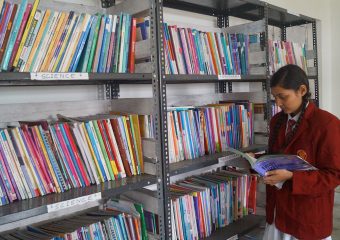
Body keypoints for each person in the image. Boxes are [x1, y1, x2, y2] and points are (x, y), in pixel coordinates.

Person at [261, 64, 340, 240]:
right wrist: (258, 162)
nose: (278, 103)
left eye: (283, 97)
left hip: (307, 216)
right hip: (278, 212)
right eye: (275, 97)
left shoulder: (327, 125)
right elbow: (276, 156)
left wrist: (291, 177)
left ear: (302, 90)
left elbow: (334, 175)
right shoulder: (277, 121)